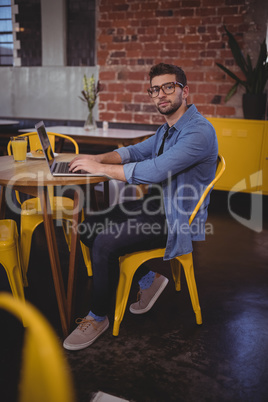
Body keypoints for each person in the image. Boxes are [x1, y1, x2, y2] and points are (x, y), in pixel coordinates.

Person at [63, 63, 218, 350]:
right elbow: (133, 152)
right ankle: (149, 279)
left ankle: (98, 317)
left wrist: (98, 167)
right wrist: (94, 157)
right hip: (156, 205)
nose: (161, 94)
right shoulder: (166, 130)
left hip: (176, 218)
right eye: (155, 89)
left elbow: (156, 170)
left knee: (106, 244)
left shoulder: (199, 132)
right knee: (87, 226)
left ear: (185, 91)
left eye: (168, 87)